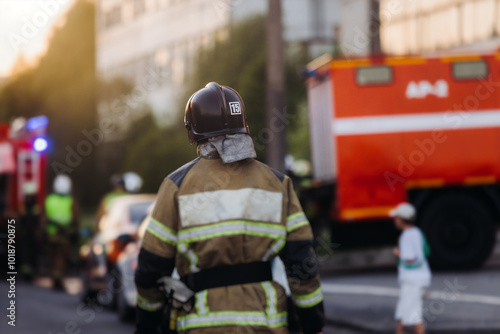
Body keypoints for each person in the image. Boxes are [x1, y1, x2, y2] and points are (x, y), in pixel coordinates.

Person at [135, 82, 325, 334]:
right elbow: (303, 265)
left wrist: (147, 324)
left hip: (201, 325)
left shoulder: (177, 186)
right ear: (242, 124)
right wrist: (313, 324)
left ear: (193, 129)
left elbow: (151, 267)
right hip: (266, 324)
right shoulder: (278, 184)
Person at [391, 202, 431, 334]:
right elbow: (426, 252)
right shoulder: (417, 232)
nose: (395, 220)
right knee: (402, 317)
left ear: (402, 219)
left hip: (413, 282)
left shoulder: (407, 236)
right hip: (417, 280)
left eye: (396, 217)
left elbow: (411, 258)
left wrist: (398, 253)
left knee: (414, 316)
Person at [43, 174, 79, 290]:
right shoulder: (71, 201)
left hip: (51, 235)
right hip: (64, 236)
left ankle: (55, 278)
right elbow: (75, 219)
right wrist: (75, 232)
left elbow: (43, 219)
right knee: (62, 258)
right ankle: (58, 280)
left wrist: (42, 233)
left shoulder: (49, 200)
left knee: (53, 258)